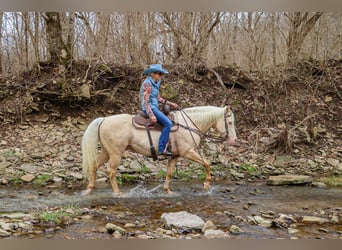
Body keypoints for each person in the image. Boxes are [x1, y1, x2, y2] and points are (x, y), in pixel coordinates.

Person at [140, 64, 178, 156]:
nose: (161, 76)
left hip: (154, 107)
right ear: (153, 74)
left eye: (162, 74)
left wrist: (170, 103)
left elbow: (158, 98)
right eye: (159, 74)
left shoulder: (156, 83)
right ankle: (162, 149)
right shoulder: (148, 84)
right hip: (150, 108)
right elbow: (146, 101)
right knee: (168, 123)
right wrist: (151, 115)